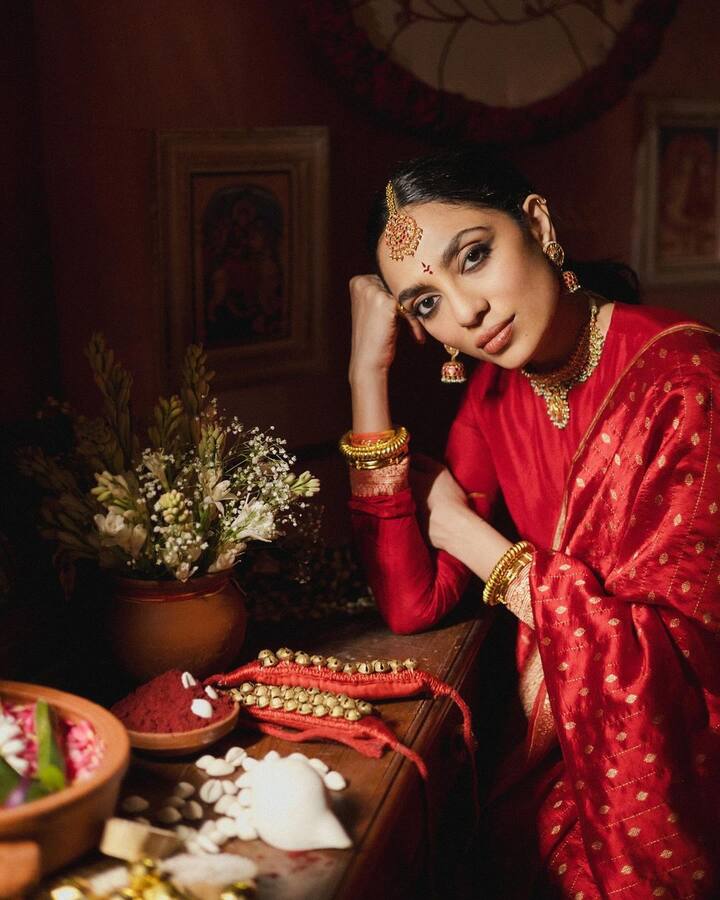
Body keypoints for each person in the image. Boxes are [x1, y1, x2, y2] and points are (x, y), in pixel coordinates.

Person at [342, 147, 720, 898]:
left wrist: (485, 548)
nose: (465, 311)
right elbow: (413, 600)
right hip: (572, 751)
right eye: (425, 303)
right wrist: (367, 377)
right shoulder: (493, 396)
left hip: (680, 765)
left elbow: (681, 666)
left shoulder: (689, 383)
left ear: (538, 224)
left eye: (473, 257)